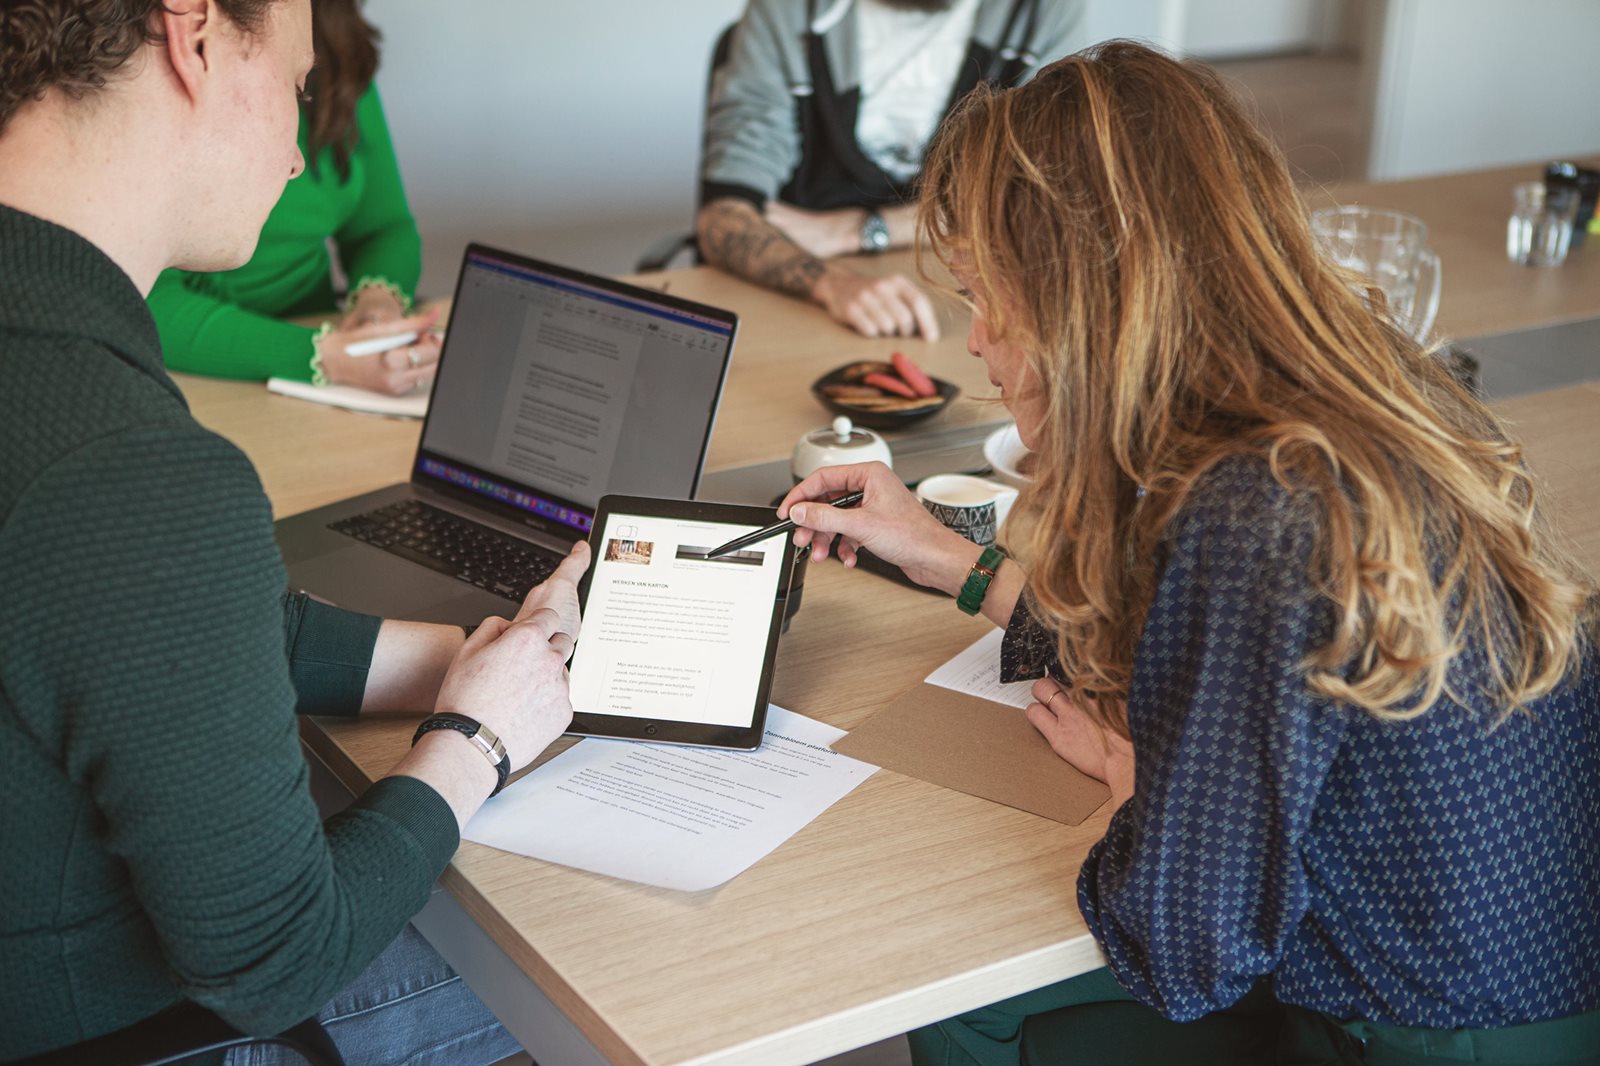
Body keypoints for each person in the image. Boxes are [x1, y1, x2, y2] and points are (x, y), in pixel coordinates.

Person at [779, 43, 1600, 1065]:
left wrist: (1142, 801)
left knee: (963, 987)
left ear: (1085, 303)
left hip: (1425, 1024)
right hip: (1518, 953)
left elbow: (1179, 950)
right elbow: (1204, 669)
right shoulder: (1346, 382)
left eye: (988, 297)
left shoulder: (1255, 510)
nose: (977, 343)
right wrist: (962, 562)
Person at [0, 2, 588, 1061]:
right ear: (196, 39)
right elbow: (275, 958)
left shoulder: (48, 366)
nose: (294, 147)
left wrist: (474, 663)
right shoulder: (130, 467)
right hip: (127, 1031)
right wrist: (477, 744)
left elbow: (145, 631)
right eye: (300, 82)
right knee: (582, 957)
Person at [696, 0, 1084, 341]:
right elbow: (723, 216)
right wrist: (830, 283)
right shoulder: (789, 10)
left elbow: (1042, 199)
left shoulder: (1040, 9)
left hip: (967, 302)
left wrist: (861, 230)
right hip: (809, 303)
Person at [146, 0, 441, 396]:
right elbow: (140, 298)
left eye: (299, 89)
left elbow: (384, 228)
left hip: (325, 346)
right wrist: (322, 357)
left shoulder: (340, 55)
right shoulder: (171, 67)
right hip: (199, 371)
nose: (294, 164)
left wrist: (375, 305)